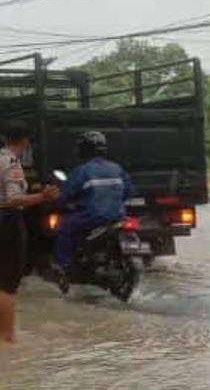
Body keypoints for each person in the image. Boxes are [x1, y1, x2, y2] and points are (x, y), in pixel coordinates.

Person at [0, 122, 59, 343]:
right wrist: (43, 197)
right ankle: (6, 338)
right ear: (25, 142)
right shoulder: (11, 162)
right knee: (7, 282)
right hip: (7, 221)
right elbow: (13, 199)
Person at [53, 131, 133, 277]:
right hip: (117, 216)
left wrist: (58, 202)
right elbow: (129, 191)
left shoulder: (82, 171)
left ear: (83, 150)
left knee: (64, 226)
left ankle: (62, 267)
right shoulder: (117, 168)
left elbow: (65, 196)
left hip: (92, 217)